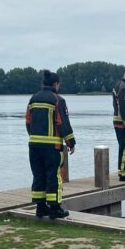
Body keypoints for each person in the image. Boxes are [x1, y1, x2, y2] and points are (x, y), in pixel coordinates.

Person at [26, 69, 75, 219]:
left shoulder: (33, 99)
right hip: (52, 146)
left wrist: (34, 136)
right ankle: (55, 208)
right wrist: (71, 142)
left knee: (38, 175)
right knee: (54, 176)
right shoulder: (57, 100)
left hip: (34, 144)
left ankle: (40, 208)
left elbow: (28, 121)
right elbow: (63, 123)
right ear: (56, 84)